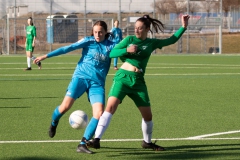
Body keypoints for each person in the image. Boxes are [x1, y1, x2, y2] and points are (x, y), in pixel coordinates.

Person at [87, 14, 190, 151]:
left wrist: (184, 26)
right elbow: (112, 53)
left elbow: (171, 40)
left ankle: (147, 142)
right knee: (110, 108)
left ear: (147, 29)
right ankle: (96, 139)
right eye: (135, 28)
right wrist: (126, 49)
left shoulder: (151, 43)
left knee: (148, 115)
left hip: (138, 82)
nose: (136, 31)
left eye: (140, 28)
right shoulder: (129, 39)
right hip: (123, 78)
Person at [33, 20, 116, 154]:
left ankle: (82, 144)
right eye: (95, 32)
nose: (98, 34)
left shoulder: (112, 45)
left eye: (100, 32)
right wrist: (46, 56)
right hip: (80, 78)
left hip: (97, 83)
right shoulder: (88, 41)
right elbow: (67, 48)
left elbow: (124, 50)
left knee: (99, 113)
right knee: (65, 107)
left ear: (106, 32)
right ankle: (54, 121)